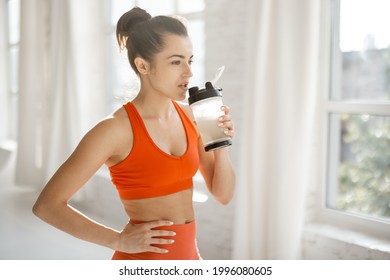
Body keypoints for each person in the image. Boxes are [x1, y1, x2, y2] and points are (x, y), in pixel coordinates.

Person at [32, 6, 235, 260]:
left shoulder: (193, 116)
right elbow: (47, 206)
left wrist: (220, 143)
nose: (189, 72)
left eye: (189, 60)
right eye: (176, 61)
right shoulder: (113, 130)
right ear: (143, 65)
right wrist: (118, 240)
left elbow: (223, 194)